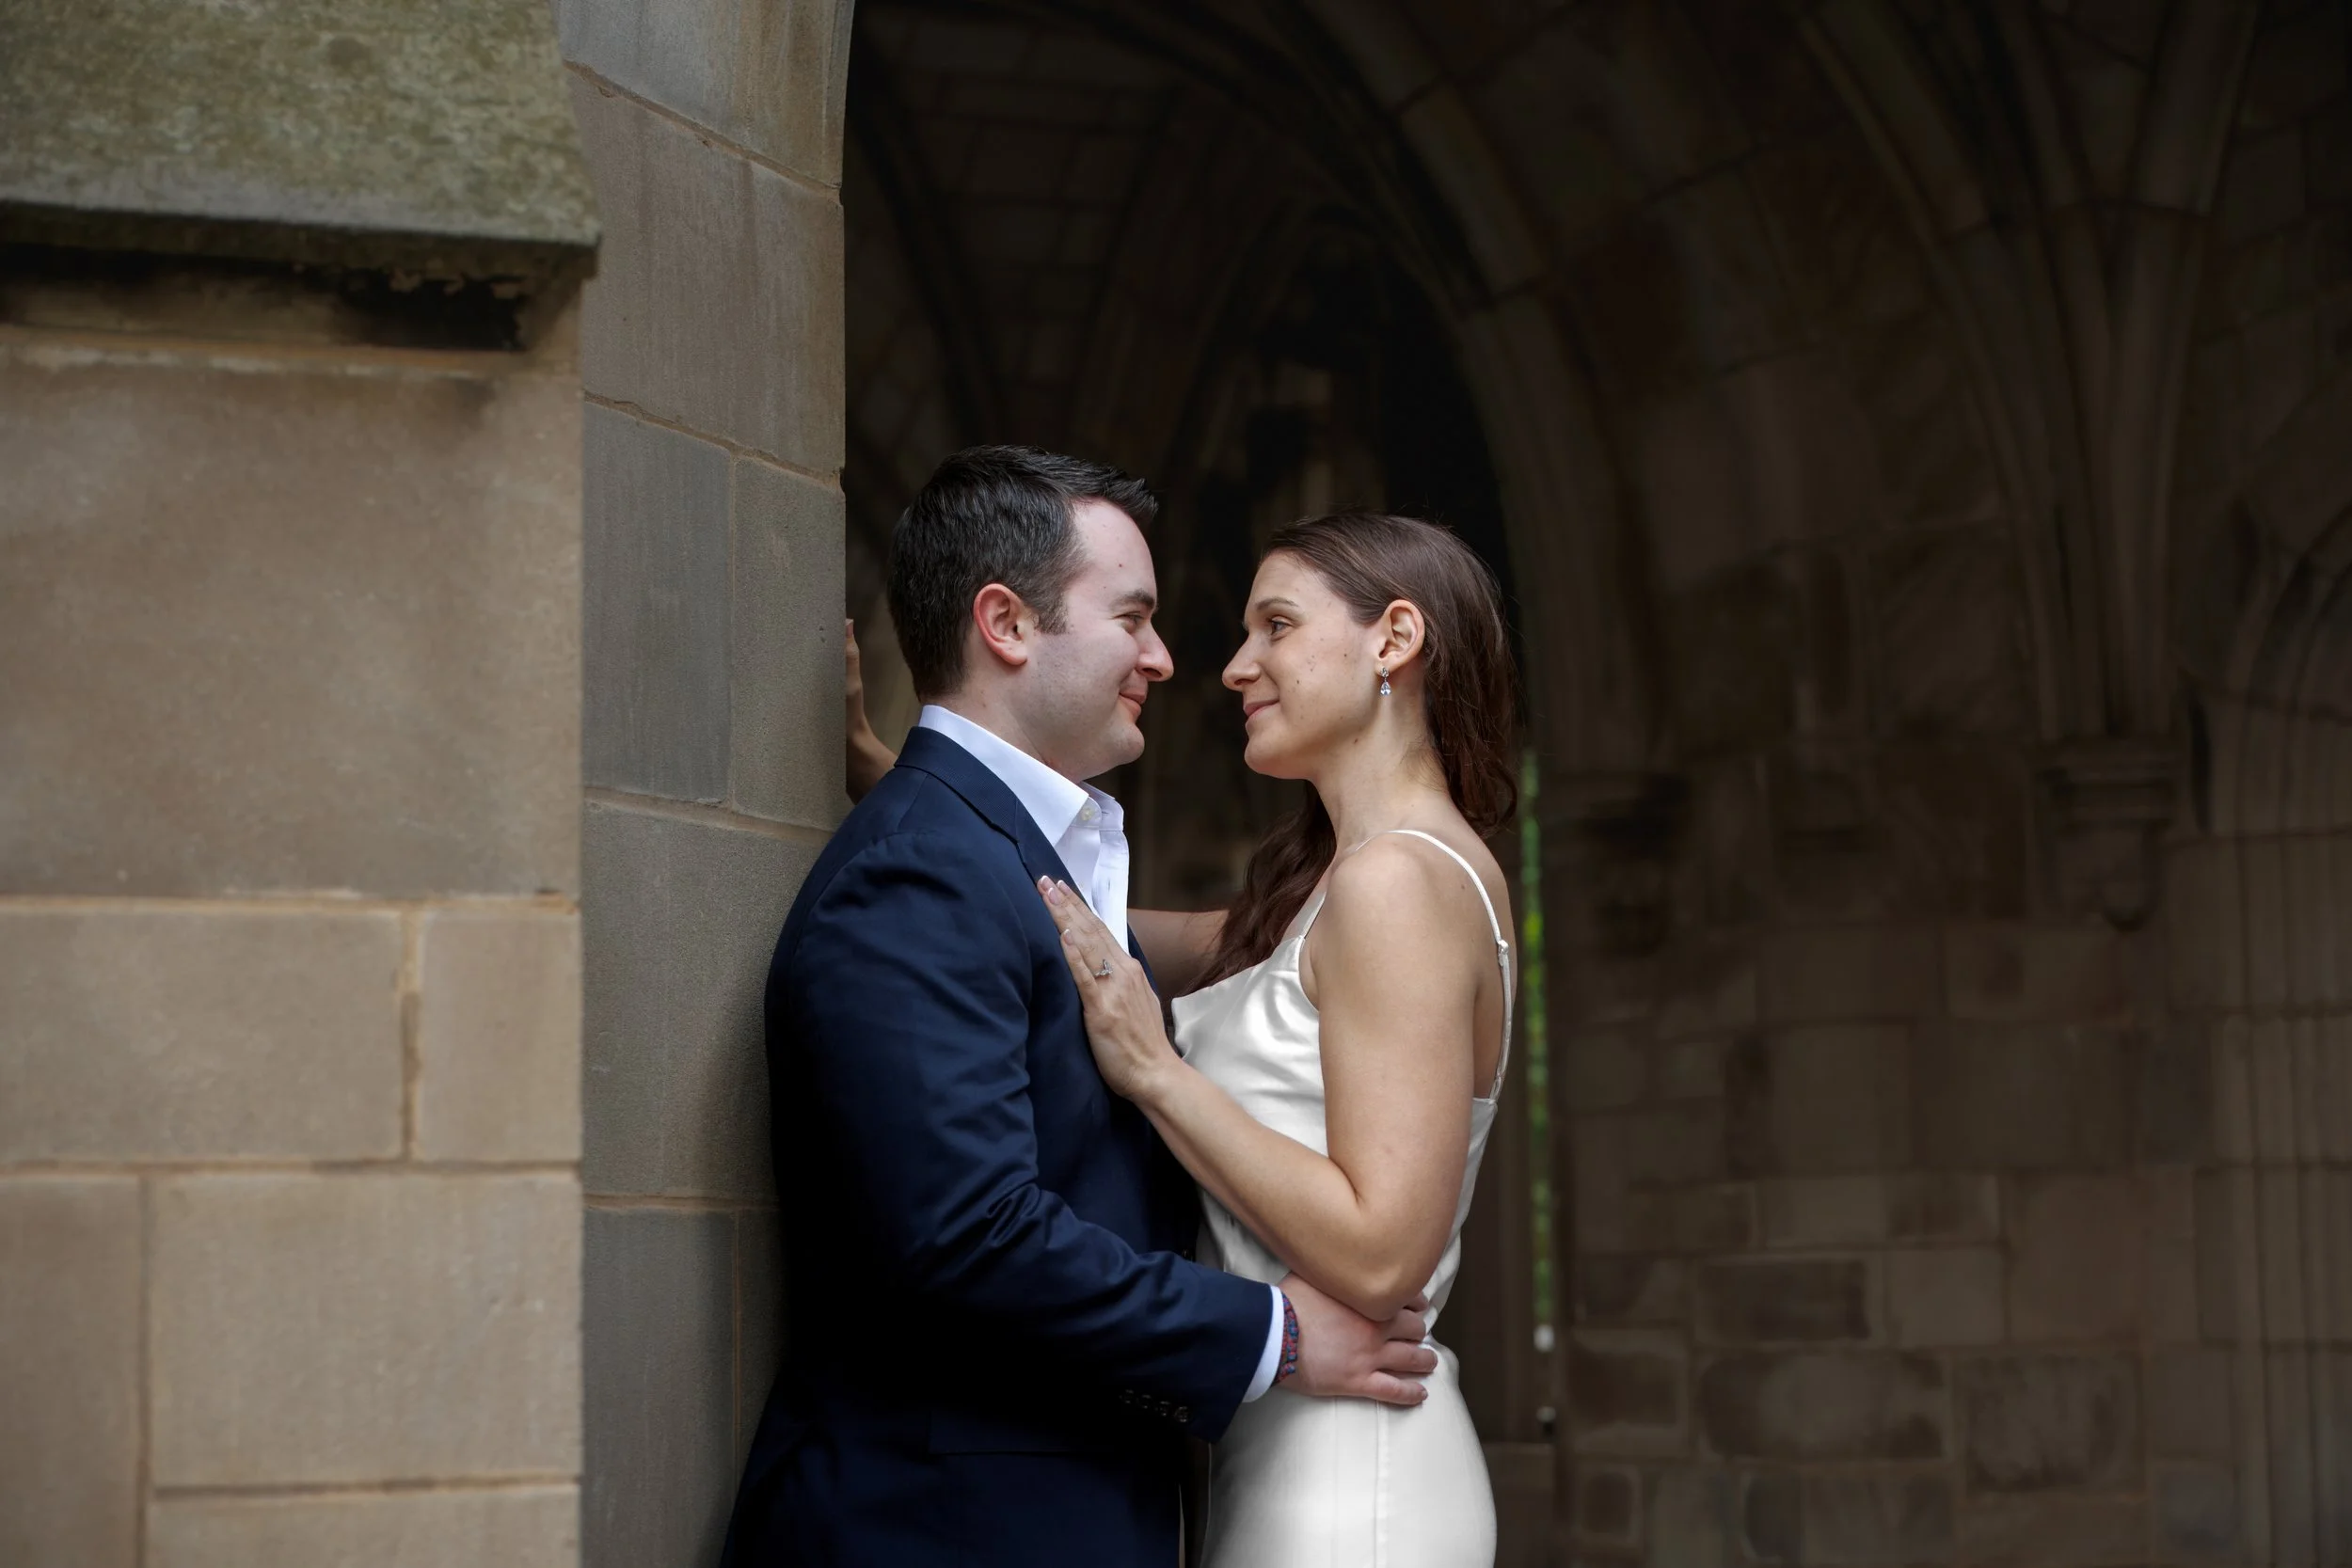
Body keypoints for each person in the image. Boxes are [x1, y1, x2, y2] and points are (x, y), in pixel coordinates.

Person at [722, 446, 1438, 1568]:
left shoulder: (1009, 860)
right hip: (940, 1530)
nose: (1165, 655)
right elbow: (969, 1231)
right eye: (1133, 616)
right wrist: (1276, 1333)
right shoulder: (917, 871)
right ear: (1006, 623)